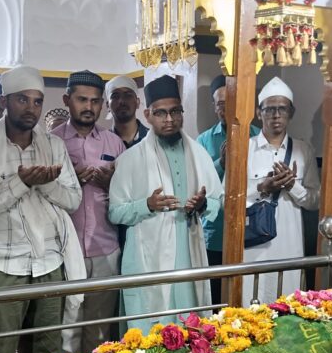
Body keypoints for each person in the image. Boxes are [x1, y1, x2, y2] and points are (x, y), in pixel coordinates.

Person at [0, 65, 84, 353]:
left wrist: (45, 185)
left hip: (50, 261)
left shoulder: (54, 146)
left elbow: (73, 200)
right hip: (5, 264)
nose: (31, 108)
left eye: (37, 101)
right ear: (4, 101)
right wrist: (21, 183)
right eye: (22, 99)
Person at [109, 75, 223, 334]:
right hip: (148, 256)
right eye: (161, 113)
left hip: (188, 252)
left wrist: (202, 204)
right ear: (148, 115)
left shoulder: (199, 154)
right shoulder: (131, 159)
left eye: (175, 111)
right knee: (150, 331)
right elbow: (115, 212)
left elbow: (217, 202)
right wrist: (146, 205)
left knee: (190, 327)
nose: (169, 119)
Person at [52, 71, 125, 353]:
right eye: (82, 100)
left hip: (105, 248)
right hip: (63, 249)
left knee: (99, 331)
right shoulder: (52, 142)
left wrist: (110, 184)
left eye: (95, 101)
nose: (89, 107)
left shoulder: (113, 143)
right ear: (67, 100)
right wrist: (70, 182)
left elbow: (127, 193)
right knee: (65, 330)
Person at [241, 77, 320, 305]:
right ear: (259, 112)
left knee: (288, 303)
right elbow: (228, 199)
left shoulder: (303, 150)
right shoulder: (245, 149)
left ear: (291, 112)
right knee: (251, 303)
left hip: (290, 243)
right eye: (270, 109)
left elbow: (315, 201)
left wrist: (292, 186)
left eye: (282, 109)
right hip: (254, 246)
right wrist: (262, 188)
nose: (276, 115)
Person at [197, 74, 260, 304]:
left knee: (246, 294)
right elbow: (200, 182)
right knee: (216, 297)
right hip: (215, 232)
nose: (226, 110)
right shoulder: (203, 141)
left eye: (231, 103)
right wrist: (221, 164)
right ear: (214, 107)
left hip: (252, 229)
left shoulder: (256, 136)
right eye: (221, 104)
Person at [105, 75, 149, 148]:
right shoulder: (101, 143)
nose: (122, 101)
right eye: (115, 96)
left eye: (128, 95)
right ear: (108, 106)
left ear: (137, 102)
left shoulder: (154, 139)